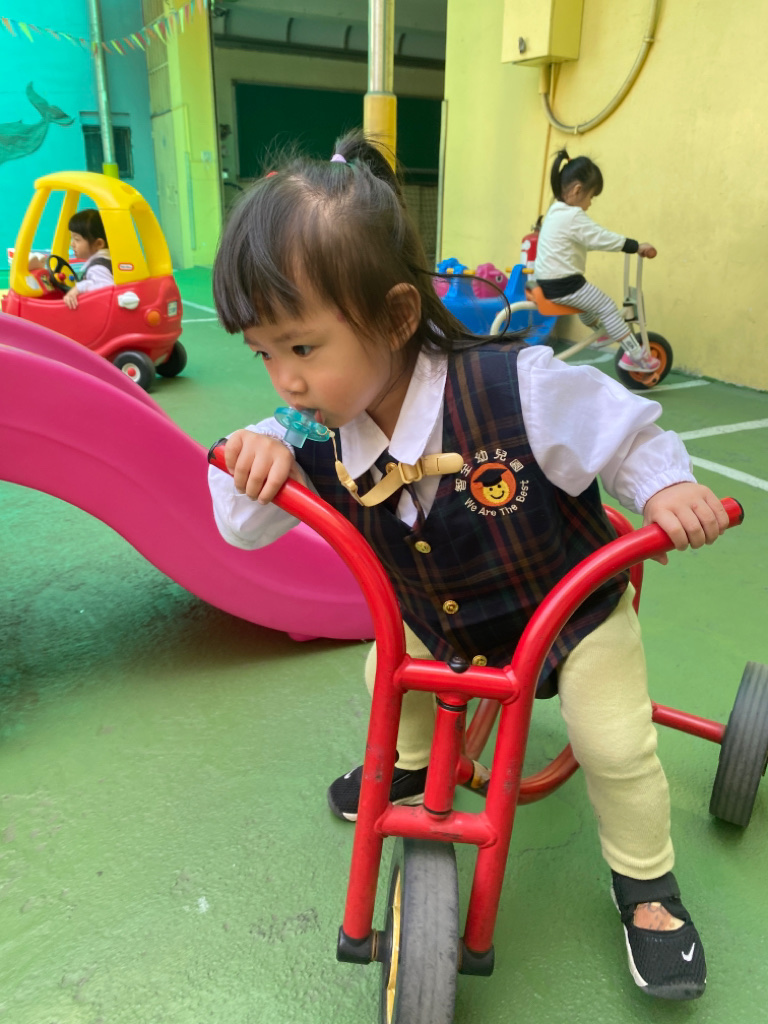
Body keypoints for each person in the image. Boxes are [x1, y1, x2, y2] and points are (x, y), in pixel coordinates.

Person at [207, 131, 729, 1001]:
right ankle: (411, 767)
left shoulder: (517, 386)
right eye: (264, 353)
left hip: (569, 615)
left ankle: (647, 887)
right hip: (440, 617)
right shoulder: (308, 431)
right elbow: (239, 526)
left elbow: (624, 431)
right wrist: (253, 456)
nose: (285, 382)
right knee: (389, 673)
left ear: (397, 318)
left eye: (302, 349)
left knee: (614, 744)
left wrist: (666, 487)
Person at [533, 148, 660, 373]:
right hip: (565, 284)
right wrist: (635, 246)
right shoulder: (573, 216)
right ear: (577, 190)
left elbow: (584, 241)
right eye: (591, 197)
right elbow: (600, 237)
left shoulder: (555, 211)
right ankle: (636, 356)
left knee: (587, 304)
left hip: (547, 281)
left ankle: (601, 333)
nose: (590, 204)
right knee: (607, 306)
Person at [61, 209, 114, 309]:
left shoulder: (98, 268)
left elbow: (107, 290)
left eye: (77, 239)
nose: (72, 244)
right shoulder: (109, 258)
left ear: (99, 244)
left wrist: (79, 287)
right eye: (72, 239)